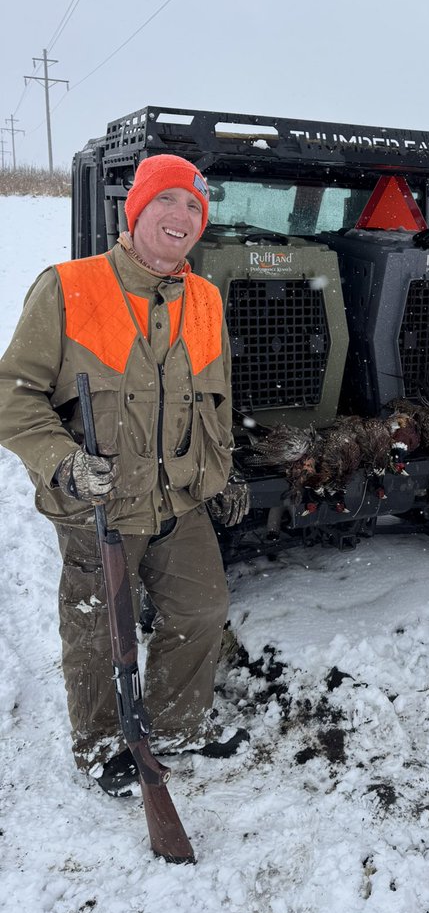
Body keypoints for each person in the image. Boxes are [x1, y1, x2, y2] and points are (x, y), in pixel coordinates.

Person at [0, 154, 250, 795]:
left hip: (179, 501)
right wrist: (63, 463)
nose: (182, 217)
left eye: (196, 208)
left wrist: (223, 474)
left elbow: (215, 402)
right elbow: (14, 396)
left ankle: (172, 728)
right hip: (99, 504)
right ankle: (101, 747)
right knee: (96, 630)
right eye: (168, 201)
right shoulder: (68, 286)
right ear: (135, 210)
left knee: (203, 608)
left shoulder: (205, 299)